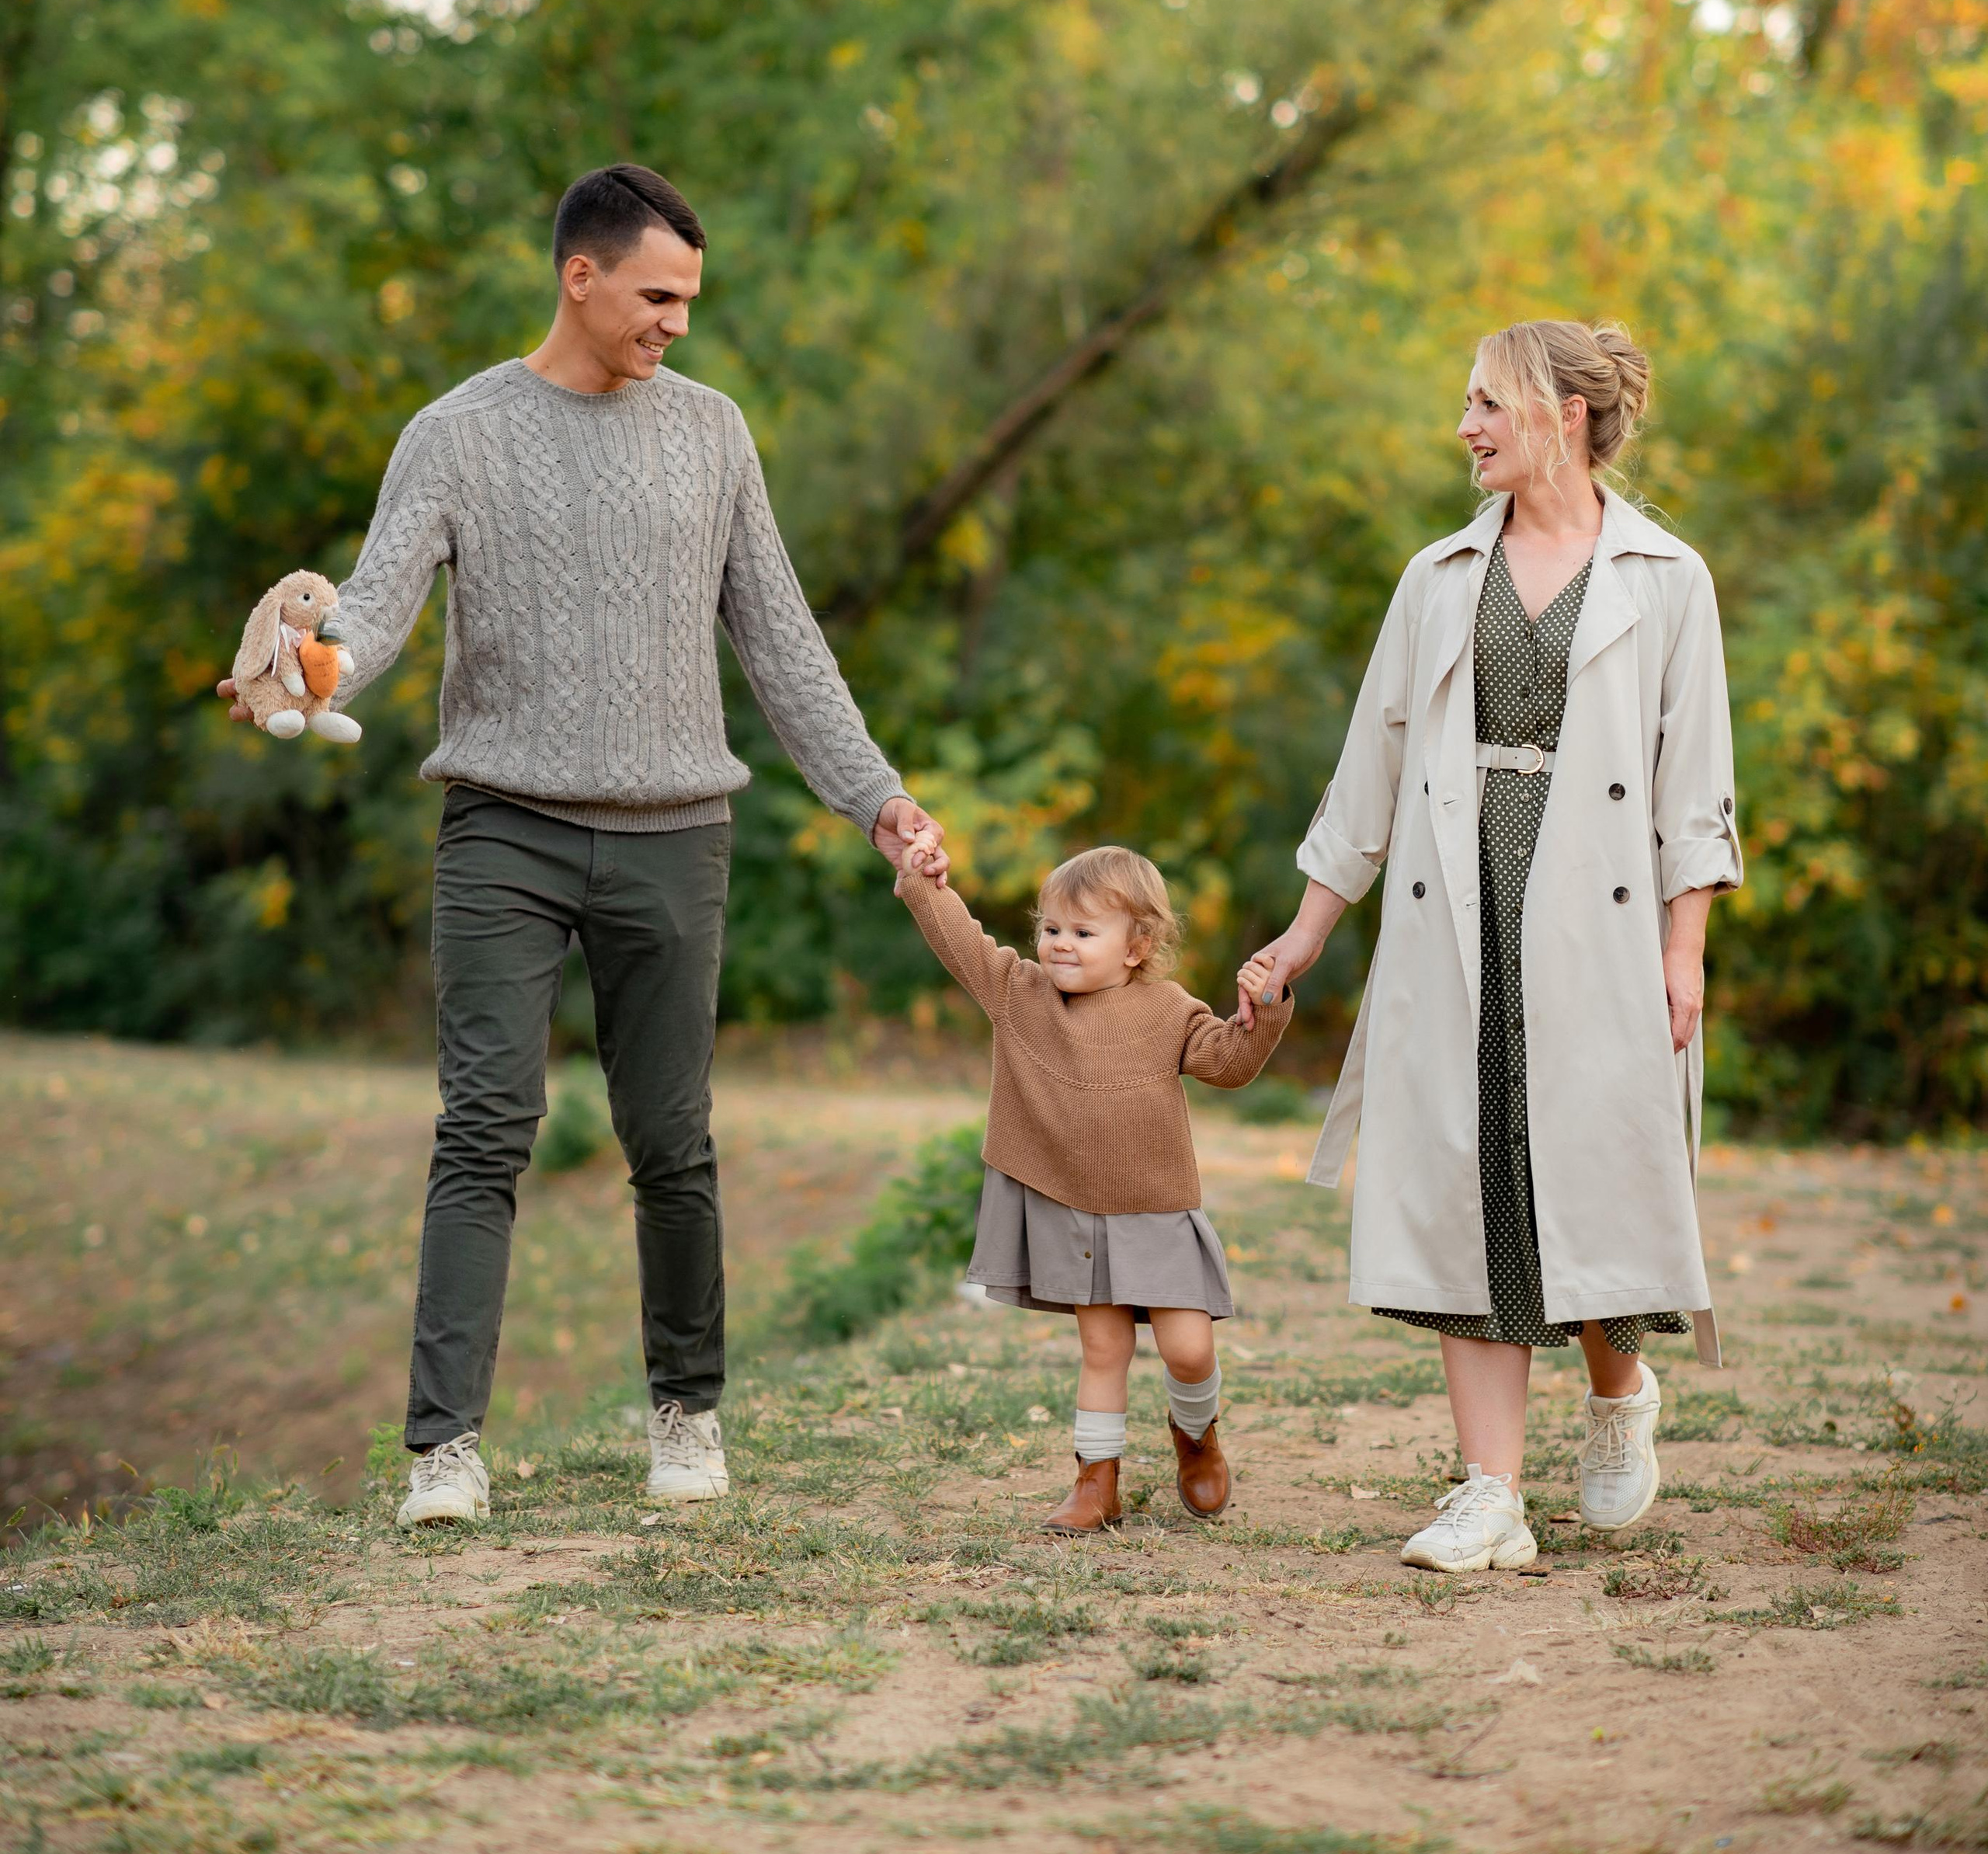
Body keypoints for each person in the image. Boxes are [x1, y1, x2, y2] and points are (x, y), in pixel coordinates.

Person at [217, 164, 940, 1529]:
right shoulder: (456, 432)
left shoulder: (714, 432)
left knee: (671, 1137)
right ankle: (444, 1448)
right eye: (659, 295)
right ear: (581, 275)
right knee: (484, 1126)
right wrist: (307, 671)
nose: (678, 321)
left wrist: (878, 798)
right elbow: (372, 613)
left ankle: (687, 1411)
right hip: (506, 828)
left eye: (690, 299)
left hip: (677, 834)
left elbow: (783, 641)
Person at [1249, 320, 1742, 1573]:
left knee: (1597, 1173)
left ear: (1564, 411)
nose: (1464, 426)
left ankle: (1619, 1394)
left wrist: (1685, 949)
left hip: (1605, 920)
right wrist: (1303, 935)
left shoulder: (1668, 576)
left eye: (1485, 402)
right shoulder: (1437, 575)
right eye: (1465, 403)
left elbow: (1696, 786)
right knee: (1474, 1181)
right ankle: (1491, 1492)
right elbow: (1370, 767)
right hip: (1455, 910)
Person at [894, 833, 1291, 1531]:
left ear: (1137, 947)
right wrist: (924, 881)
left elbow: (1230, 1064)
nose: (1060, 944)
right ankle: (1094, 1483)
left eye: (1083, 932)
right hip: (1071, 1210)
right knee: (1103, 1350)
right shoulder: (1020, 994)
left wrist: (1268, 1002)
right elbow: (961, 940)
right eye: (1051, 928)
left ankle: (1196, 1438)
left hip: (1155, 1209)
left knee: (1189, 1350)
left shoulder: (1168, 1009)